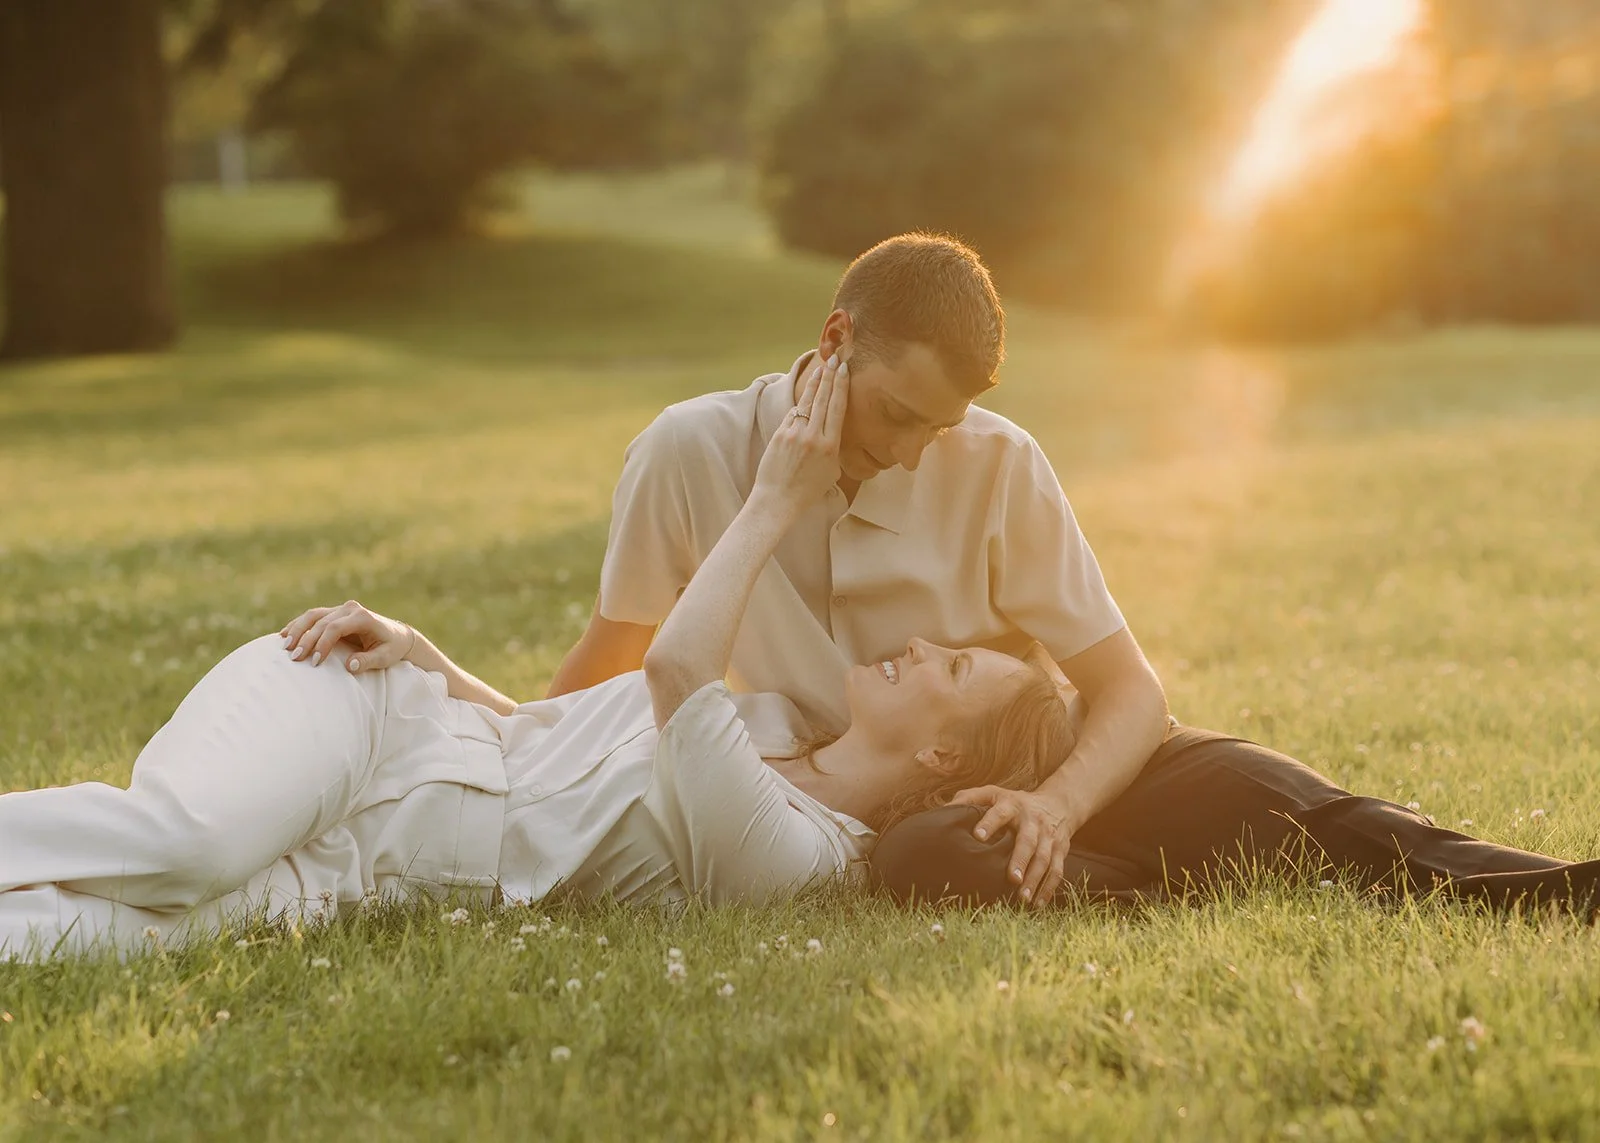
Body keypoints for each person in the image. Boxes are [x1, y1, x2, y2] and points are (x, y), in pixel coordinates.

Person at [550, 231, 1600, 918]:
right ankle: (1142, 882)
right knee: (927, 866)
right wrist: (477, 725)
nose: (916, 450)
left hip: (1051, 751)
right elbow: (604, 674)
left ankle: (1556, 894)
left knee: (1265, 796)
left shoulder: (996, 462)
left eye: (941, 426)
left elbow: (1130, 689)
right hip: (902, 809)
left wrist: (1054, 801)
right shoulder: (688, 456)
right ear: (835, 342)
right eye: (898, 416)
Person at [0, 362, 1072, 961]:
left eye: (956, 669)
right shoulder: (782, 723)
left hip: (364, 871)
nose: (924, 645)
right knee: (183, 847)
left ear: (943, 759)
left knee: (113, 939)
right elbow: (542, 739)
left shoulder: (792, 856)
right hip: (364, 715)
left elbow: (674, 675)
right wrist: (427, 660)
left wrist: (775, 498)